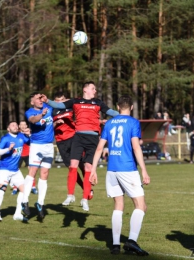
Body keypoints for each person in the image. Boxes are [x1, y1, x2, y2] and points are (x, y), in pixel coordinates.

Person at [41, 81, 119, 211]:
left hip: (93, 138)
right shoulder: (75, 101)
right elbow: (58, 105)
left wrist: (122, 112)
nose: (95, 91)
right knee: (73, 165)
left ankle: (85, 198)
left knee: (88, 167)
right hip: (78, 137)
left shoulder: (98, 103)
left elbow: (112, 112)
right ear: (85, 89)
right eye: (93, 89)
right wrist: (47, 100)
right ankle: (70, 195)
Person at [89, 95, 150, 256]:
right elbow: (136, 148)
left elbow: (99, 148)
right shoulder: (133, 122)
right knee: (141, 206)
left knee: (118, 205)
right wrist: (143, 169)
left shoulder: (109, 123)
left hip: (112, 170)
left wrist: (93, 170)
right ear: (131, 107)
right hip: (127, 168)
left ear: (117, 107)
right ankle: (131, 241)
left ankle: (115, 245)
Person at [52, 92, 94, 205]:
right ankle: (83, 188)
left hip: (74, 138)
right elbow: (47, 127)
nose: (60, 102)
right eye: (58, 100)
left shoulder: (71, 108)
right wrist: (55, 123)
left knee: (81, 164)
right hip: (60, 142)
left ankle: (88, 188)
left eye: (62, 99)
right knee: (71, 168)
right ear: (55, 101)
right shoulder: (52, 112)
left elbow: (82, 118)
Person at [21, 92, 54, 220]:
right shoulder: (30, 112)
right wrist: (42, 115)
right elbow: (33, 120)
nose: (40, 100)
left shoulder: (49, 107)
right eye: (37, 98)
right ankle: (25, 200)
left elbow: (60, 106)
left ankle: (40, 203)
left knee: (45, 174)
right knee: (33, 171)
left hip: (49, 146)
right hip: (37, 145)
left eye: (41, 98)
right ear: (32, 102)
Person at [0, 121, 30, 222]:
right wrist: (8, 149)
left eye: (16, 125)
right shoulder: (6, 138)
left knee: (24, 190)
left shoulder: (21, 136)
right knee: (2, 189)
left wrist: (29, 134)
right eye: (12, 125)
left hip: (15, 170)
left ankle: (17, 214)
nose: (15, 126)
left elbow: (30, 142)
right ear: (8, 129)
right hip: (4, 168)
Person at [18, 120, 38, 195]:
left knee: (31, 171)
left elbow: (33, 141)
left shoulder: (30, 133)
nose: (23, 126)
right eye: (21, 125)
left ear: (26, 126)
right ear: (19, 126)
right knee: (15, 171)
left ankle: (33, 187)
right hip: (18, 155)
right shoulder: (17, 134)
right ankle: (15, 188)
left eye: (24, 125)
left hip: (28, 154)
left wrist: (29, 135)